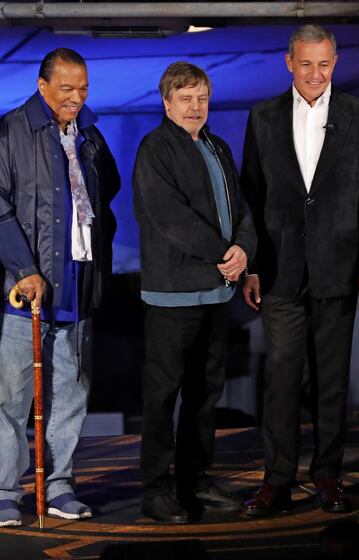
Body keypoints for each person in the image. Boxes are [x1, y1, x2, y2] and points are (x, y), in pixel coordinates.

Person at [240, 24, 359, 515]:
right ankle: (276, 481)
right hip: (280, 272)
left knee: (331, 382)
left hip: (339, 270)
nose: (315, 74)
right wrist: (254, 267)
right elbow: (251, 198)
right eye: (306, 64)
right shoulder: (262, 118)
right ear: (289, 63)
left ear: (336, 63)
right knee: (281, 380)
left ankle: (328, 477)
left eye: (324, 64)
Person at [0, 48, 119, 526]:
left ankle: (59, 485)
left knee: (71, 396)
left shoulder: (90, 135)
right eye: (66, 89)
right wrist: (22, 268)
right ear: (43, 87)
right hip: (23, 294)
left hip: (77, 286)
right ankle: (4, 491)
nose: (76, 97)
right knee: (11, 399)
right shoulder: (10, 132)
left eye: (83, 89)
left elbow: (107, 191)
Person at [133, 62, 257, 523]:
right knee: (163, 397)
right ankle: (156, 489)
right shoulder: (154, 149)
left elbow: (242, 206)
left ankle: (196, 481)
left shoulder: (218, 146)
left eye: (201, 97)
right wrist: (226, 253)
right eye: (185, 98)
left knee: (206, 395)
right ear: (167, 103)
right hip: (173, 297)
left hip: (216, 293)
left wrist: (244, 248)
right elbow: (170, 218)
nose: (195, 107)